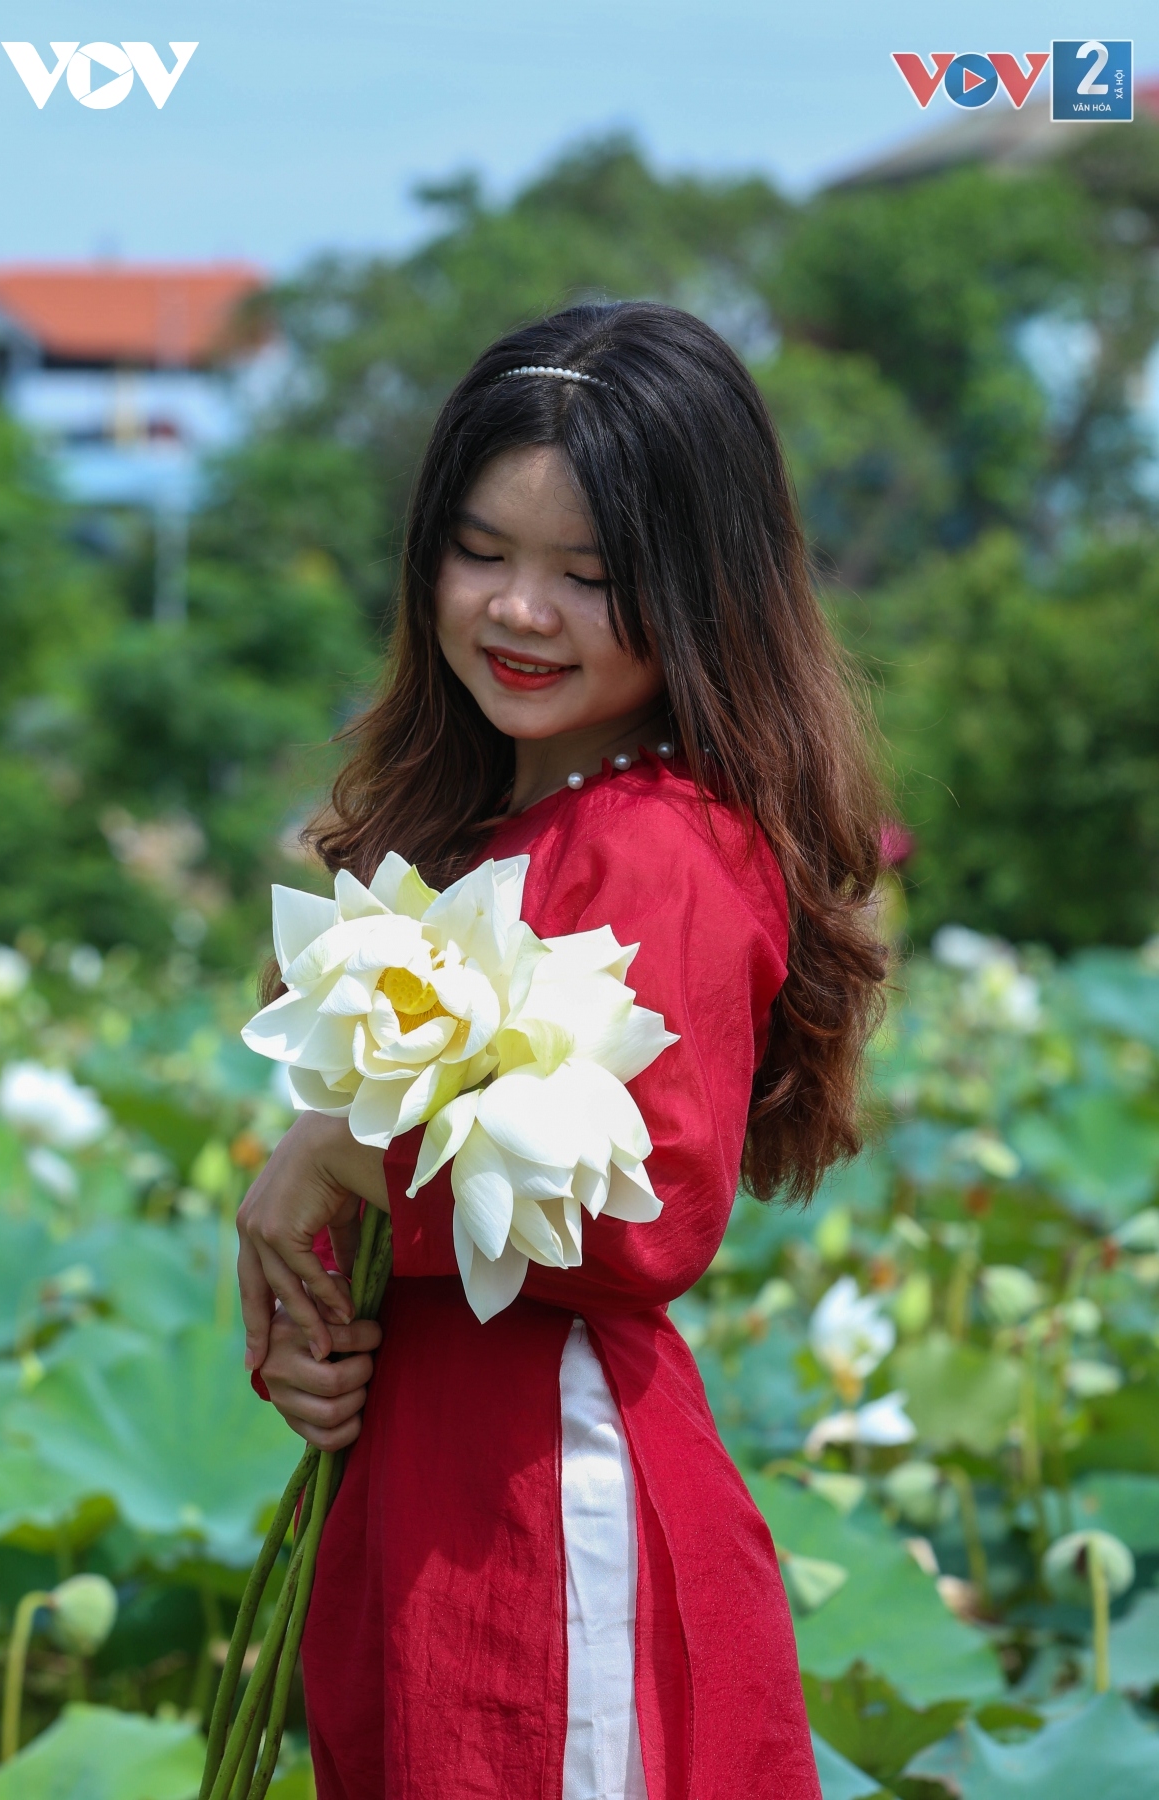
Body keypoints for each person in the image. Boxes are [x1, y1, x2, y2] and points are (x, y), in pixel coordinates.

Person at [236, 301, 886, 1800]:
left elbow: (638, 1212)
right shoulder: (489, 836)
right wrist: (302, 1281)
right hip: (428, 1491)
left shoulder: (656, 844)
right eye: (483, 553)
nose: (521, 611)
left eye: (590, 577)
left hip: (549, 1519)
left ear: (706, 595)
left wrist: (333, 1151)